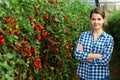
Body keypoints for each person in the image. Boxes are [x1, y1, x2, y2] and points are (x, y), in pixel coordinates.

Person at [74, 7, 114, 80]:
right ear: (90, 20)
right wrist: (97, 55)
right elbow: (77, 54)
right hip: (84, 75)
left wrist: (85, 57)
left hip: (101, 76)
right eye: (93, 19)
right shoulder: (83, 35)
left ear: (103, 20)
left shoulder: (109, 39)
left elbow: (105, 60)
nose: (96, 22)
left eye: (99, 19)